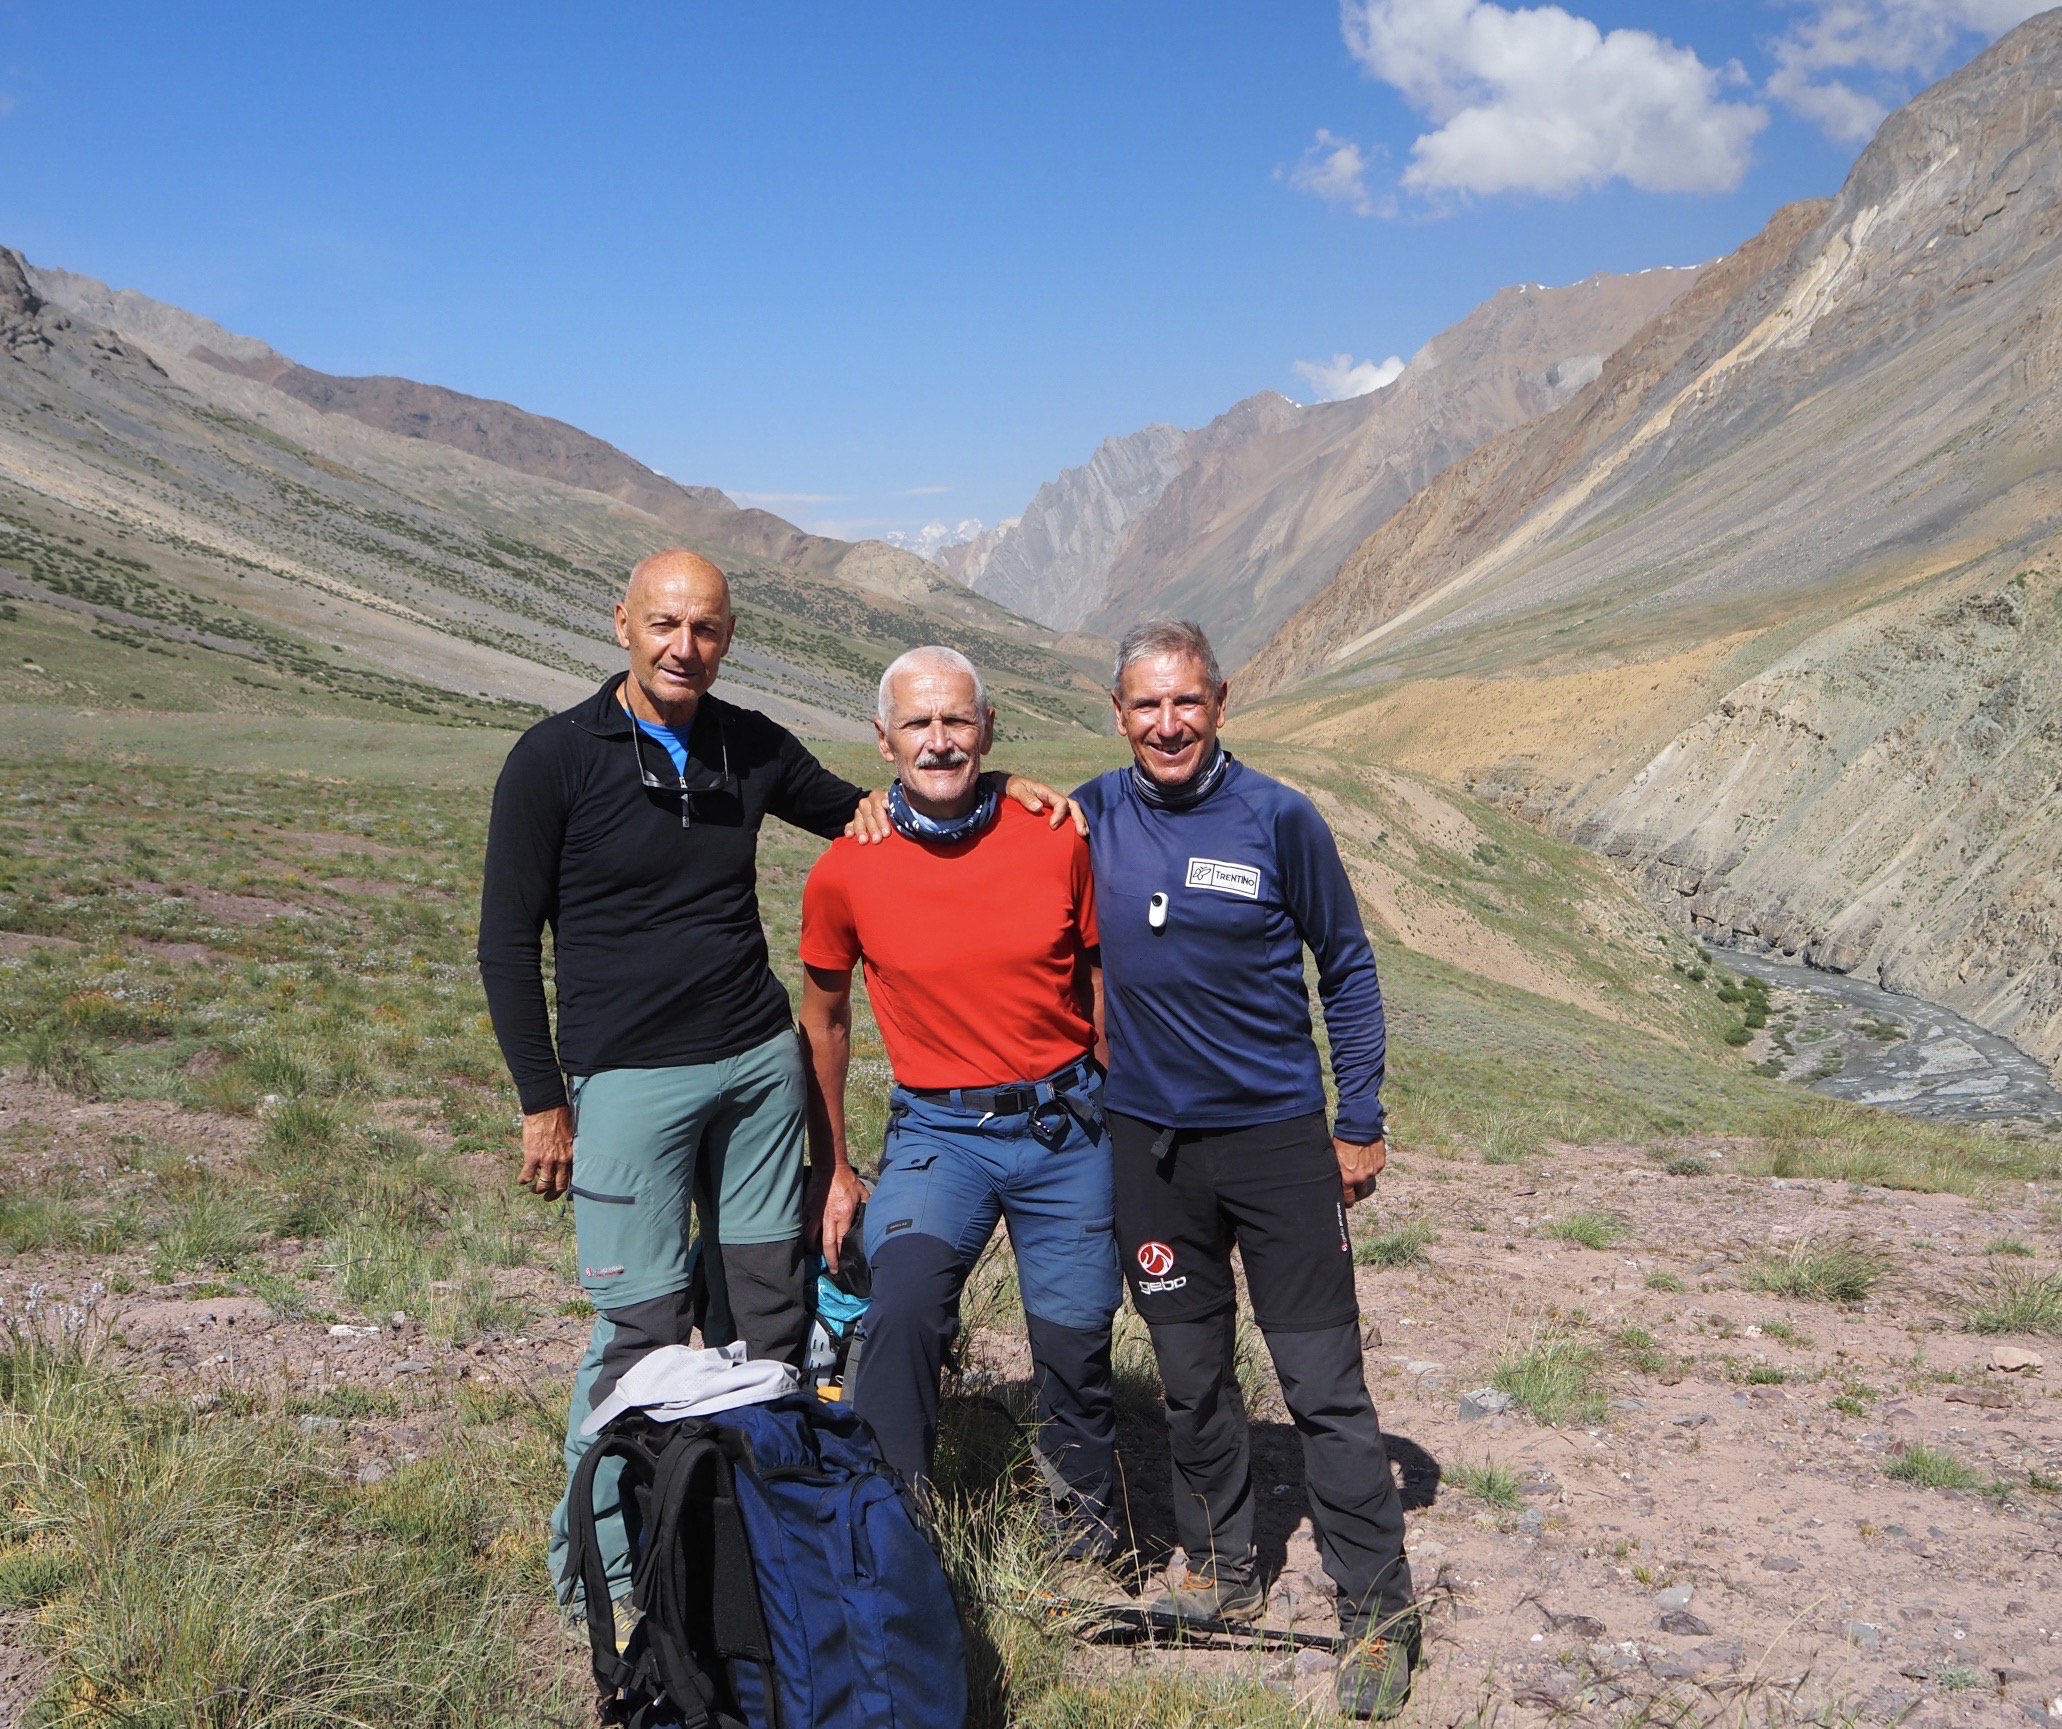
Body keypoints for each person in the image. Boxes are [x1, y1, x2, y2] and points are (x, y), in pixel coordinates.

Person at [476, 548, 1077, 1611]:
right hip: (628, 1082)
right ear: (622, 623)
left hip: (758, 1070)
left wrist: (996, 791)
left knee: (768, 1311)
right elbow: (504, 943)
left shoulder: (747, 742)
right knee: (640, 1327)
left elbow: (877, 806)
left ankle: (755, 1548)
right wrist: (542, 1099)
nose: (684, 646)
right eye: (664, 623)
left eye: (705, 627)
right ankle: (606, 1581)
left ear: (728, 636)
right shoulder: (553, 758)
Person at [1072, 618, 1418, 1719]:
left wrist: (1357, 1118)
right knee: (1190, 1376)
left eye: (1187, 700)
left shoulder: (1279, 817)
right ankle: (1219, 1566)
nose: (1168, 723)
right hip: (1149, 1150)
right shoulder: (1084, 815)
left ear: (1220, 702)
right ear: (1117, 713)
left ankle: (1378, 1611)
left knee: (1322, 1385)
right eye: (1146, 704)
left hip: (1275, 1146)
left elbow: (1346, 965)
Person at [797, 646, 1120, 1556]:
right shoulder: (846, 867)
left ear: (988, 729)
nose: (938, 740)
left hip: (1065, 1124)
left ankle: (1081, 1539)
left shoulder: (1057, 835)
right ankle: (891, 1538)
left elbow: (1098, 986)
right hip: (941, 1131)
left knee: (1076, 1339)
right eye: (918, 723)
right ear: (884, 739)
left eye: (956, 720)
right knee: (901, 1306)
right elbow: (824, 1022)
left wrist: (1119, 1119)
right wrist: (835, 1167)